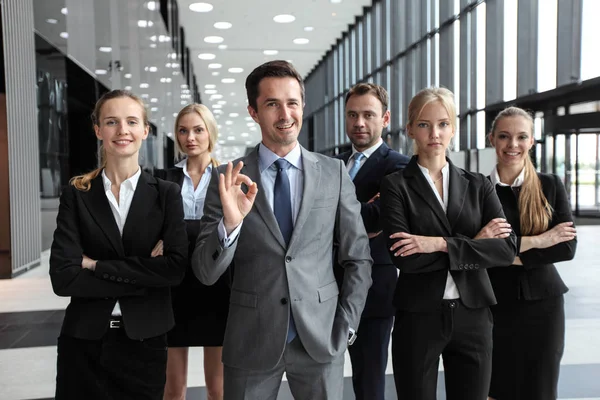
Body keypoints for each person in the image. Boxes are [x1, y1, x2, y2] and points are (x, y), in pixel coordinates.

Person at [191, 60, 373, 399]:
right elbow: (205, 271)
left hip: (321, 338)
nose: (285, 113)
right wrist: (231, 224)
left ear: (303, 106)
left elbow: (358, 257)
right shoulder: (228, 179)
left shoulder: (333, 173)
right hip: (251, 340)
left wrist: (346, 324)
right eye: (272, 104)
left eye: (292, 102)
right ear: (253, 111)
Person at [49, 89, 188, 400]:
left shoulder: (166, 194)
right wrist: (145, 273)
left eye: (131, 121)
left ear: (145, 130)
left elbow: (173, 270)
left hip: (145, 340)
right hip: (84, 340)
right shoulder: (77, 194)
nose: (122, 130)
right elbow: (63, 277)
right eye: (112, 122)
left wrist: (94, 265)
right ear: (98, 130)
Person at [380, 87, 517, 400]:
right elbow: (406, 258)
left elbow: (506, 249)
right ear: (410, 128)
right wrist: (474, 244)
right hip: (418, 317)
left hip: (474, 315)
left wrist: (437, 244)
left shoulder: (478, 184)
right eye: (425, 124)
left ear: (453, 129)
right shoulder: (395, 186)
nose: (434, 133)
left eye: (443, 124)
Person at [483, 106, 577, 400]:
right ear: (491, 139)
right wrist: (541, 240)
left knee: (540, 388)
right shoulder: (477, 189)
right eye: (504, 136)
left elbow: (566, 247)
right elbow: (478, 249)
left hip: (544, 307)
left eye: (522, 137)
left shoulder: (550, 185)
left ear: (532, 141)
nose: (513, 145)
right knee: (496, 388)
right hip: (493, 306)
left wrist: (508, 254)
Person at [334, 82, 409, 400]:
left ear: (386, 118)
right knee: (321, 376)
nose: (359, 123)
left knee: (369, 380)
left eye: (368, 114)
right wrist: (360, 211)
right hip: (324, 286)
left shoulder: (399, 166)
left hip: (373, 289)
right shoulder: (332, 163)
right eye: (352, 114)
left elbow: (379, 218)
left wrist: (334, 210)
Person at [156, 104, 228, 400]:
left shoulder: (227, 177)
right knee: (173, 390)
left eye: (198, 129)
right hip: (174, 283)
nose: (190, 137)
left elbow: (232, 228)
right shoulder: (162, 179)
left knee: (218, 389)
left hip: (216, 281)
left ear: (210, 132)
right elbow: (155, 228)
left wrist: (176, 235)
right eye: (183, 131)